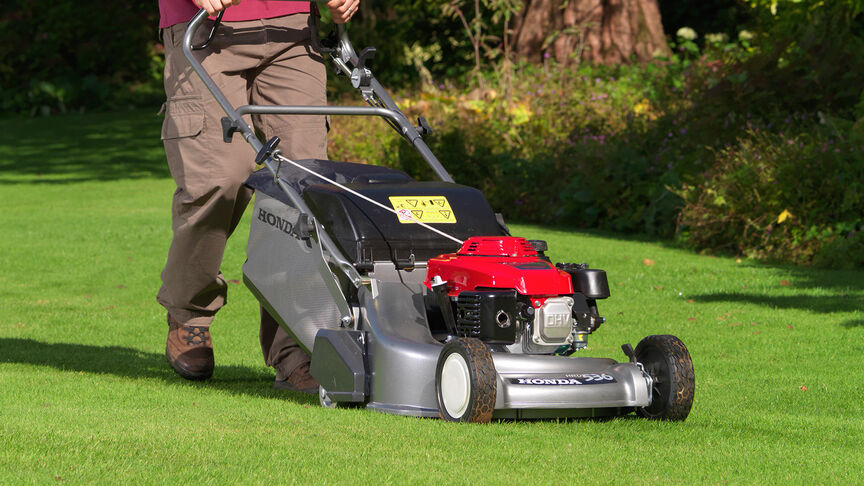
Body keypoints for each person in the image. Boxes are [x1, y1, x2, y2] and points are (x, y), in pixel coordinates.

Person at [157, 0, 359, 391]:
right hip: (205, 26)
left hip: (293, 27)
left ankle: (296, 346)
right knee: (220, 178)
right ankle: (190, 312)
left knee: (303, 189)